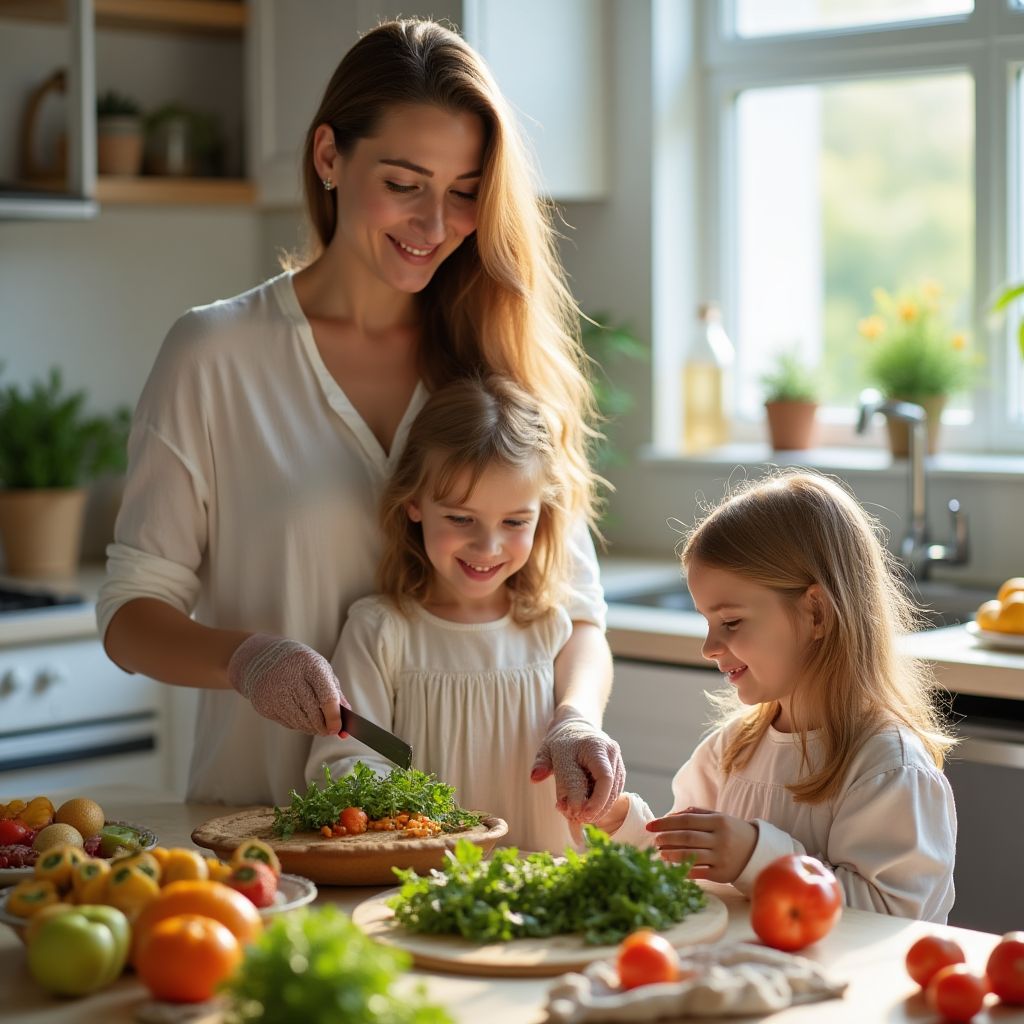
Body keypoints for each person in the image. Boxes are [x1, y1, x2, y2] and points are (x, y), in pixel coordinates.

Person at [96, 18, 623, 814]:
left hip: (473, 848)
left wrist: (576, 717)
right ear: (329, 157)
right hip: (265, 839)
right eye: (405, 184)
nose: (435, 224)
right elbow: (131, 616)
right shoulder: (215, 354)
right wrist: (245, 658)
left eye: (466, 193)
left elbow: (576, 612)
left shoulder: (495, 365)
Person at [591, 471, 957, 923]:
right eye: (708, 622)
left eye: (731, 622)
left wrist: (756, 858)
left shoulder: (888, 767)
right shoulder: (731, 750)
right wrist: (623, 823)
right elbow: (687, 869)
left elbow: (892, 920)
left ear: (817, 612)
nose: (708, 647)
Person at [306, 375, 622, 851]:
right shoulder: (382, 631)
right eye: (460, 518)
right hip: (422, 890)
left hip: (540, 886)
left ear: (543, 515)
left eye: (515, 521)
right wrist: (422, 816)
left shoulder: (550, 628)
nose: (487, 546)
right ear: (414, 504)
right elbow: (346, 761)